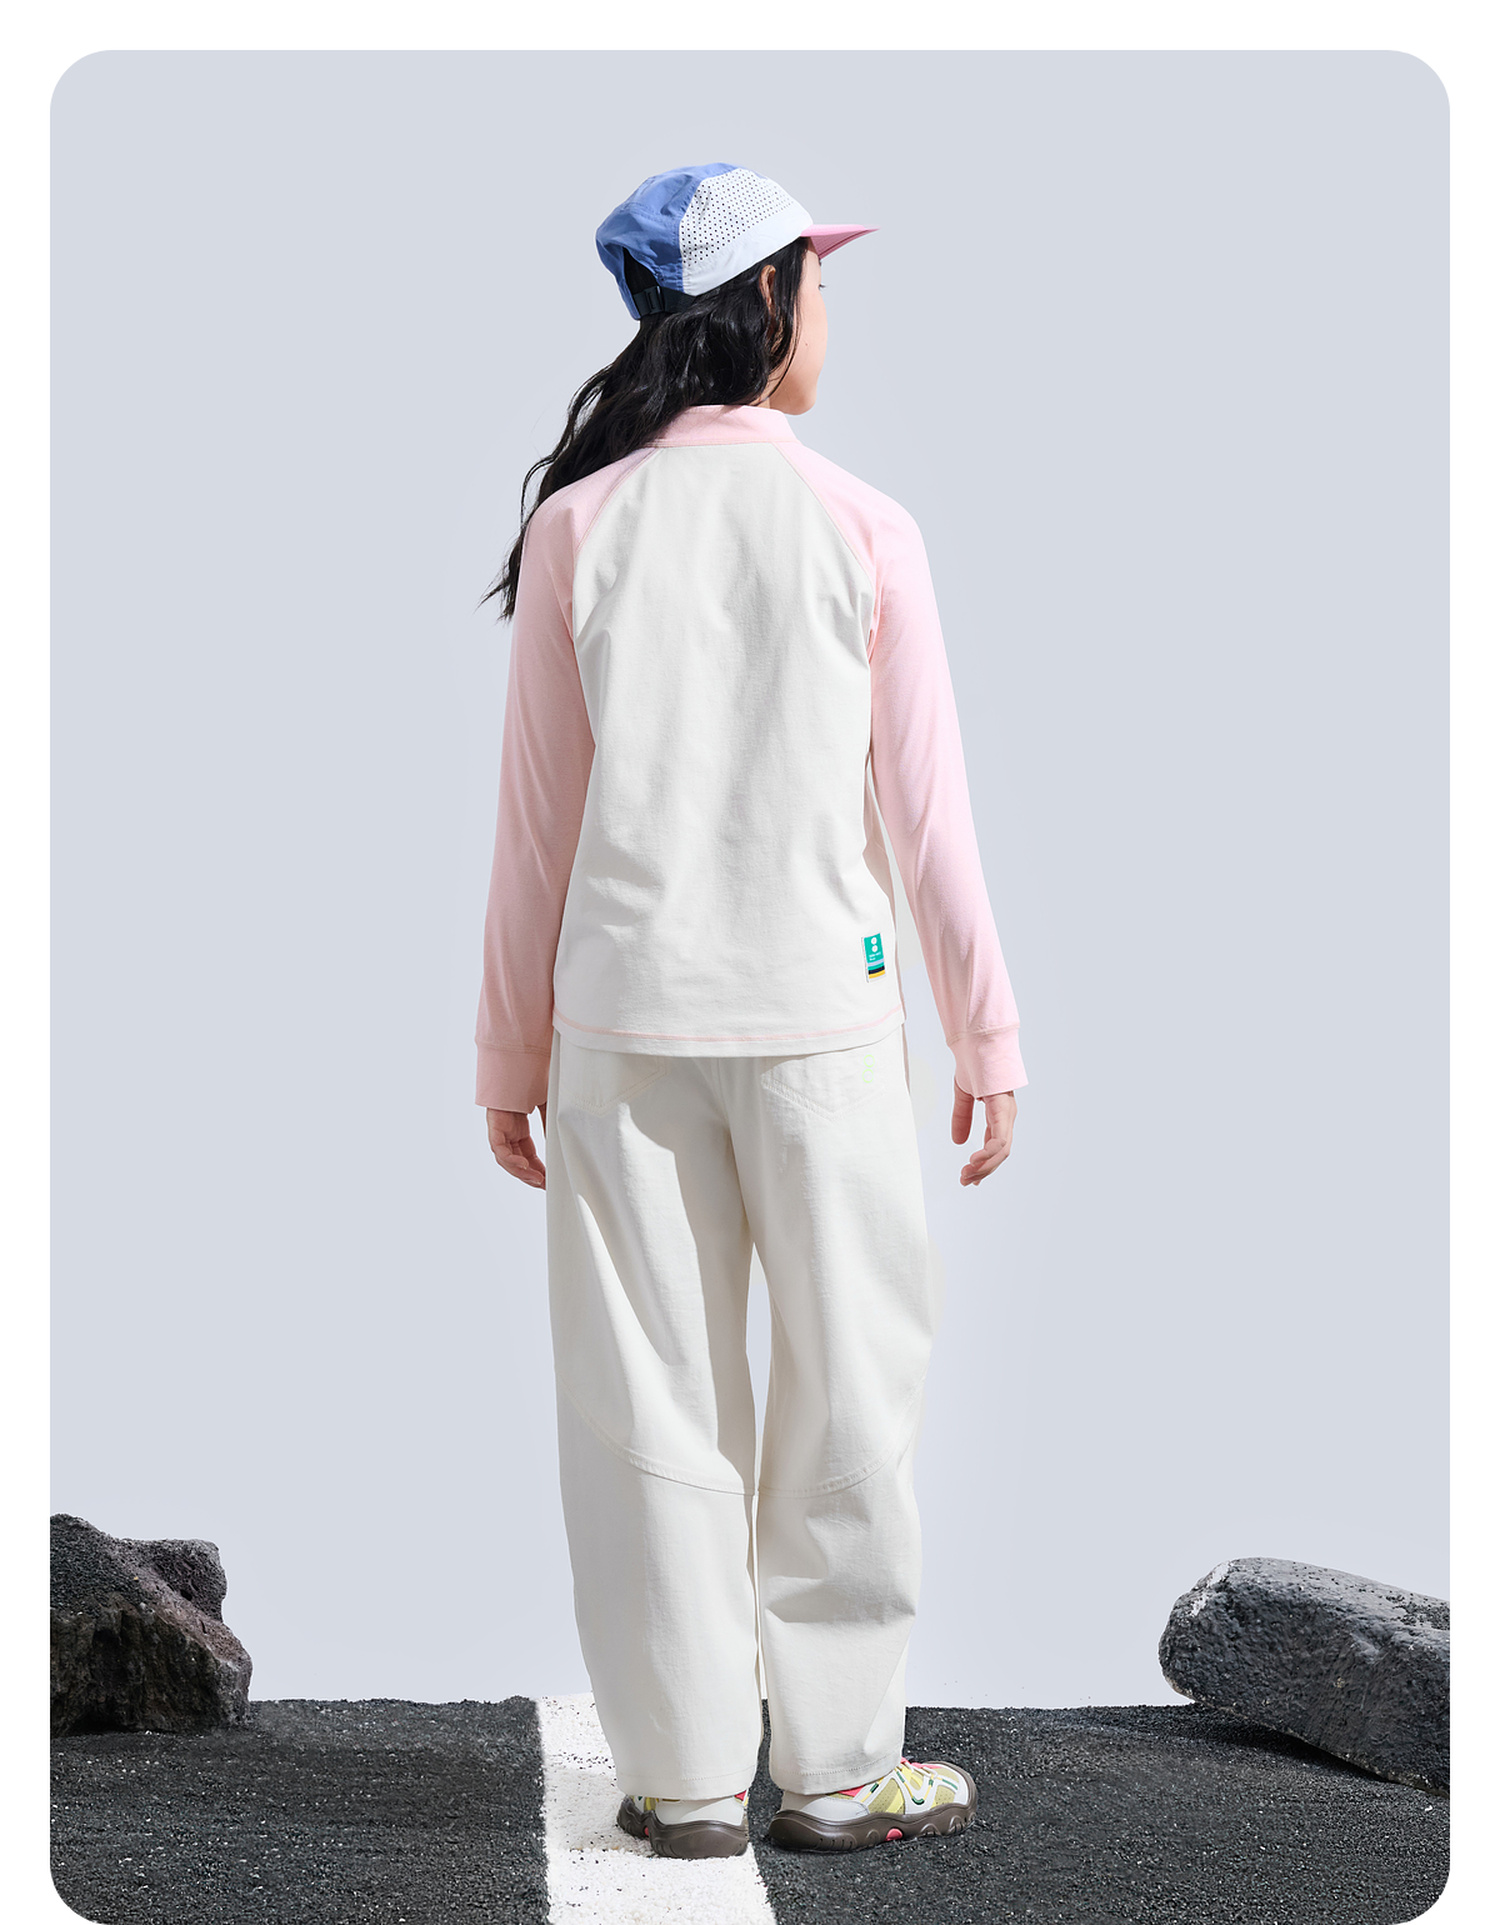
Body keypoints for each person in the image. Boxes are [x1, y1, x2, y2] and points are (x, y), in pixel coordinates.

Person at [475, 163, 1026, 1860]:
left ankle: (692, 1778)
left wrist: (505, 1053)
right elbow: (928, 818)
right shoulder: (864, 524)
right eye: (819, 282)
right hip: (822, 1029)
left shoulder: (579, 525)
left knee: (649, 1406)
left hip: (618, 1029)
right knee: (853, 1387)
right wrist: (987, 1032)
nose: (832, 314)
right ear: (766, 299)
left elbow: (536, 826)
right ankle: (842, 1767)